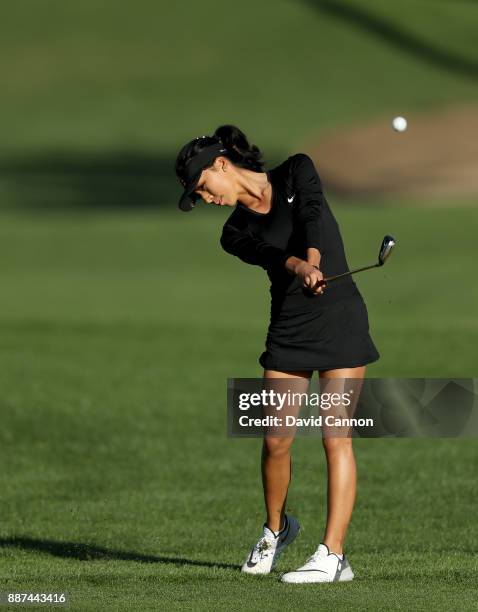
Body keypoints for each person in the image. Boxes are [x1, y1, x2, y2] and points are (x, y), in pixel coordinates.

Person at [174, 125, 380, 584]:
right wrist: (299, 266)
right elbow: (269, 253)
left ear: (222, 165)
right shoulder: (233, 232)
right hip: (290, 325)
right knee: (275, 440)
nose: (206, 199)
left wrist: (315, 258)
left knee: (335, 438)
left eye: (203, 188)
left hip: (340, 318)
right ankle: (276, 529)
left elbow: (311, 215)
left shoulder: (297, 170)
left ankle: (333, 555)